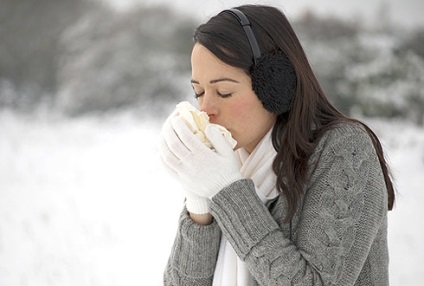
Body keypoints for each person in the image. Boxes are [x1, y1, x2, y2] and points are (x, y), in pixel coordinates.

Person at [159, 4, 395, 286]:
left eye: (224, 92)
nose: (206, 109)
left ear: (275, 85)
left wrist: (228, 192)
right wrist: (199, 200)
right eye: (198, 92)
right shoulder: (228, 160)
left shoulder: (345, 150)